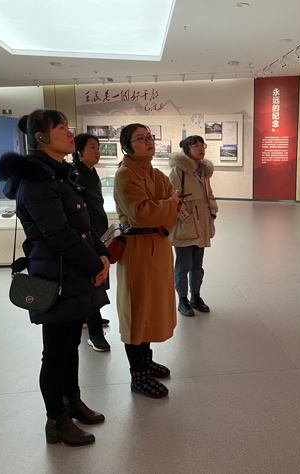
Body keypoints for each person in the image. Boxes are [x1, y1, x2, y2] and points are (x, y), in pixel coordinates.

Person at [0, 109, 109, 447]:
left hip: (72, 271)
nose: (69, 132)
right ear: (41, 137)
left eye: (67, 126)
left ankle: (72, 401)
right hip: (55, 275)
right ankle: (56, 420)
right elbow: (57, 234)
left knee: (71, 344)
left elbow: (83, 223)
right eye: (60, 128)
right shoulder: (37, 180)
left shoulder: (60, 173)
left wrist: (101, 252)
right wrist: (94, 264)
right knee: (56, 351)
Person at [113, 123, 181, 398]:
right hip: (137, 249)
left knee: (151, 307)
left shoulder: (156, 173)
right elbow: (142, 213)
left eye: (150, 137)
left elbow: (173, 203)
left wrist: (165, 208)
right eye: (141, 138)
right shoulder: (124, 175)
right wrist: (169, 205)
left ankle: (146, 360)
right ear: (127, 147)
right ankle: (138, 375)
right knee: (137, 310)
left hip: (160, 243)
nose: (149, 141)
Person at [168, 135, 218, 317]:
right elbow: (172, 197)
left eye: (202, 145)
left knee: (198, 265)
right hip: (185, 224)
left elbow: (209, 193)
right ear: (187, 150)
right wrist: (185, 217)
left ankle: (196, 296)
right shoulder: (178, 171)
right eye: (195, 145)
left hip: (202, 223)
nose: (200, 148)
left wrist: (212, 211)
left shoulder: (203, 171)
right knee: (183, 266)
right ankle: (182, 299)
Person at [71, 133, 111, 352]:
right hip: (87, 235)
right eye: (92, 147)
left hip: (97, 232)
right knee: (93, 280)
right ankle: (95, 332)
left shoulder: (91, 172)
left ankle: (91, 316)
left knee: (99, 277)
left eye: (98, 147)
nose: (97, 151)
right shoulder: (76, 175)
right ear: (80, 152)